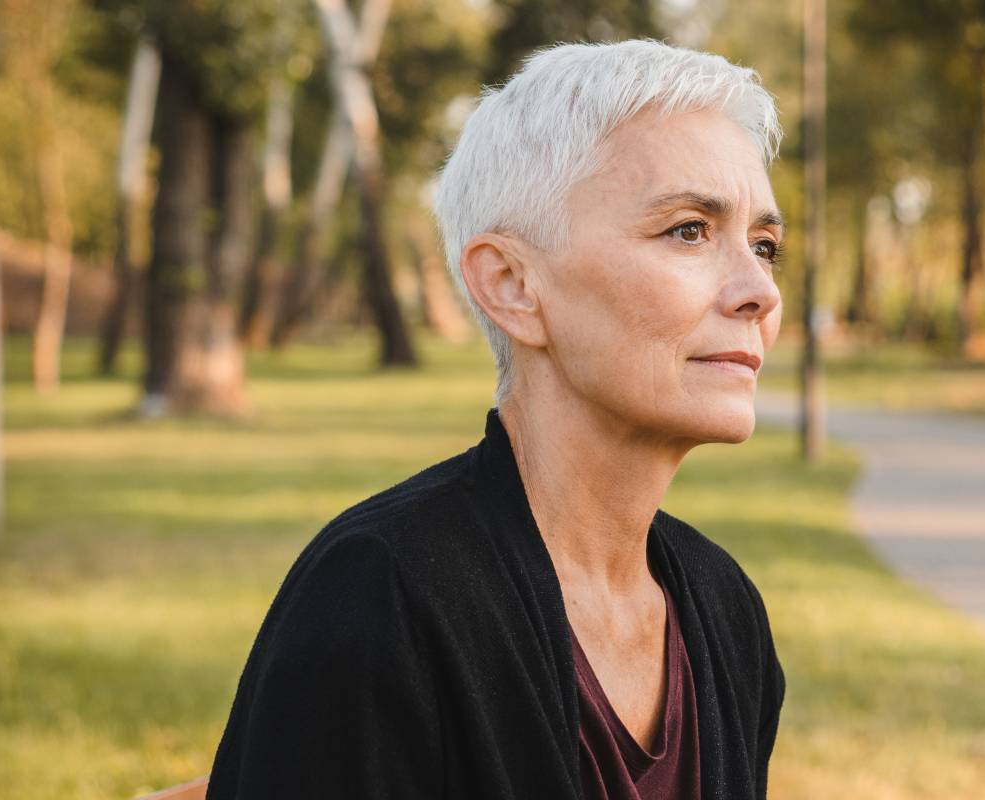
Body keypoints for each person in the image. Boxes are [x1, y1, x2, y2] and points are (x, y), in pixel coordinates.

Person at [206, 39, 787, 799]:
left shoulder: (723, 608)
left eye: (766, 245)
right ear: (512, 285)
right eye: (688, 230)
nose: (759, 291)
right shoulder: (381, 598)